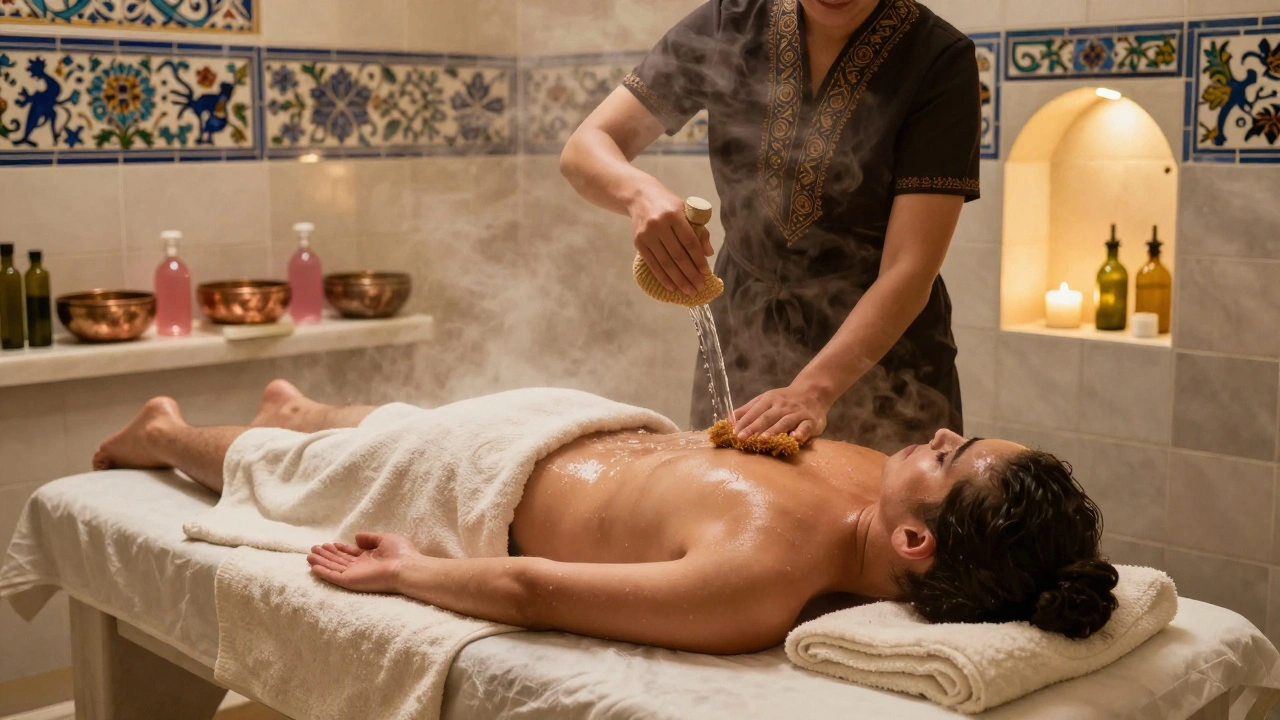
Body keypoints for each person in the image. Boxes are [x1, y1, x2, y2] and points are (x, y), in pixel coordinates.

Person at [93, 380, 1118, 655]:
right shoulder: (862, 475)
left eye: (950, 457)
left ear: (915, 541)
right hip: (583, 423)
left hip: (491, 476)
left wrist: (405, 569)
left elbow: (536, 589)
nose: (938, 434)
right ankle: (308, 413)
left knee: (298, 472)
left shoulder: (762, 579)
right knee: (395, 437)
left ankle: (167, 433)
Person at [560, 0, 982, 453]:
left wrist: (813, 391)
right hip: (744, 336)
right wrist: (640, 195)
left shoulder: (939, 58)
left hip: (885, 358)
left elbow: (908, 268)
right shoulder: (730, 22)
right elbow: (585, 147)